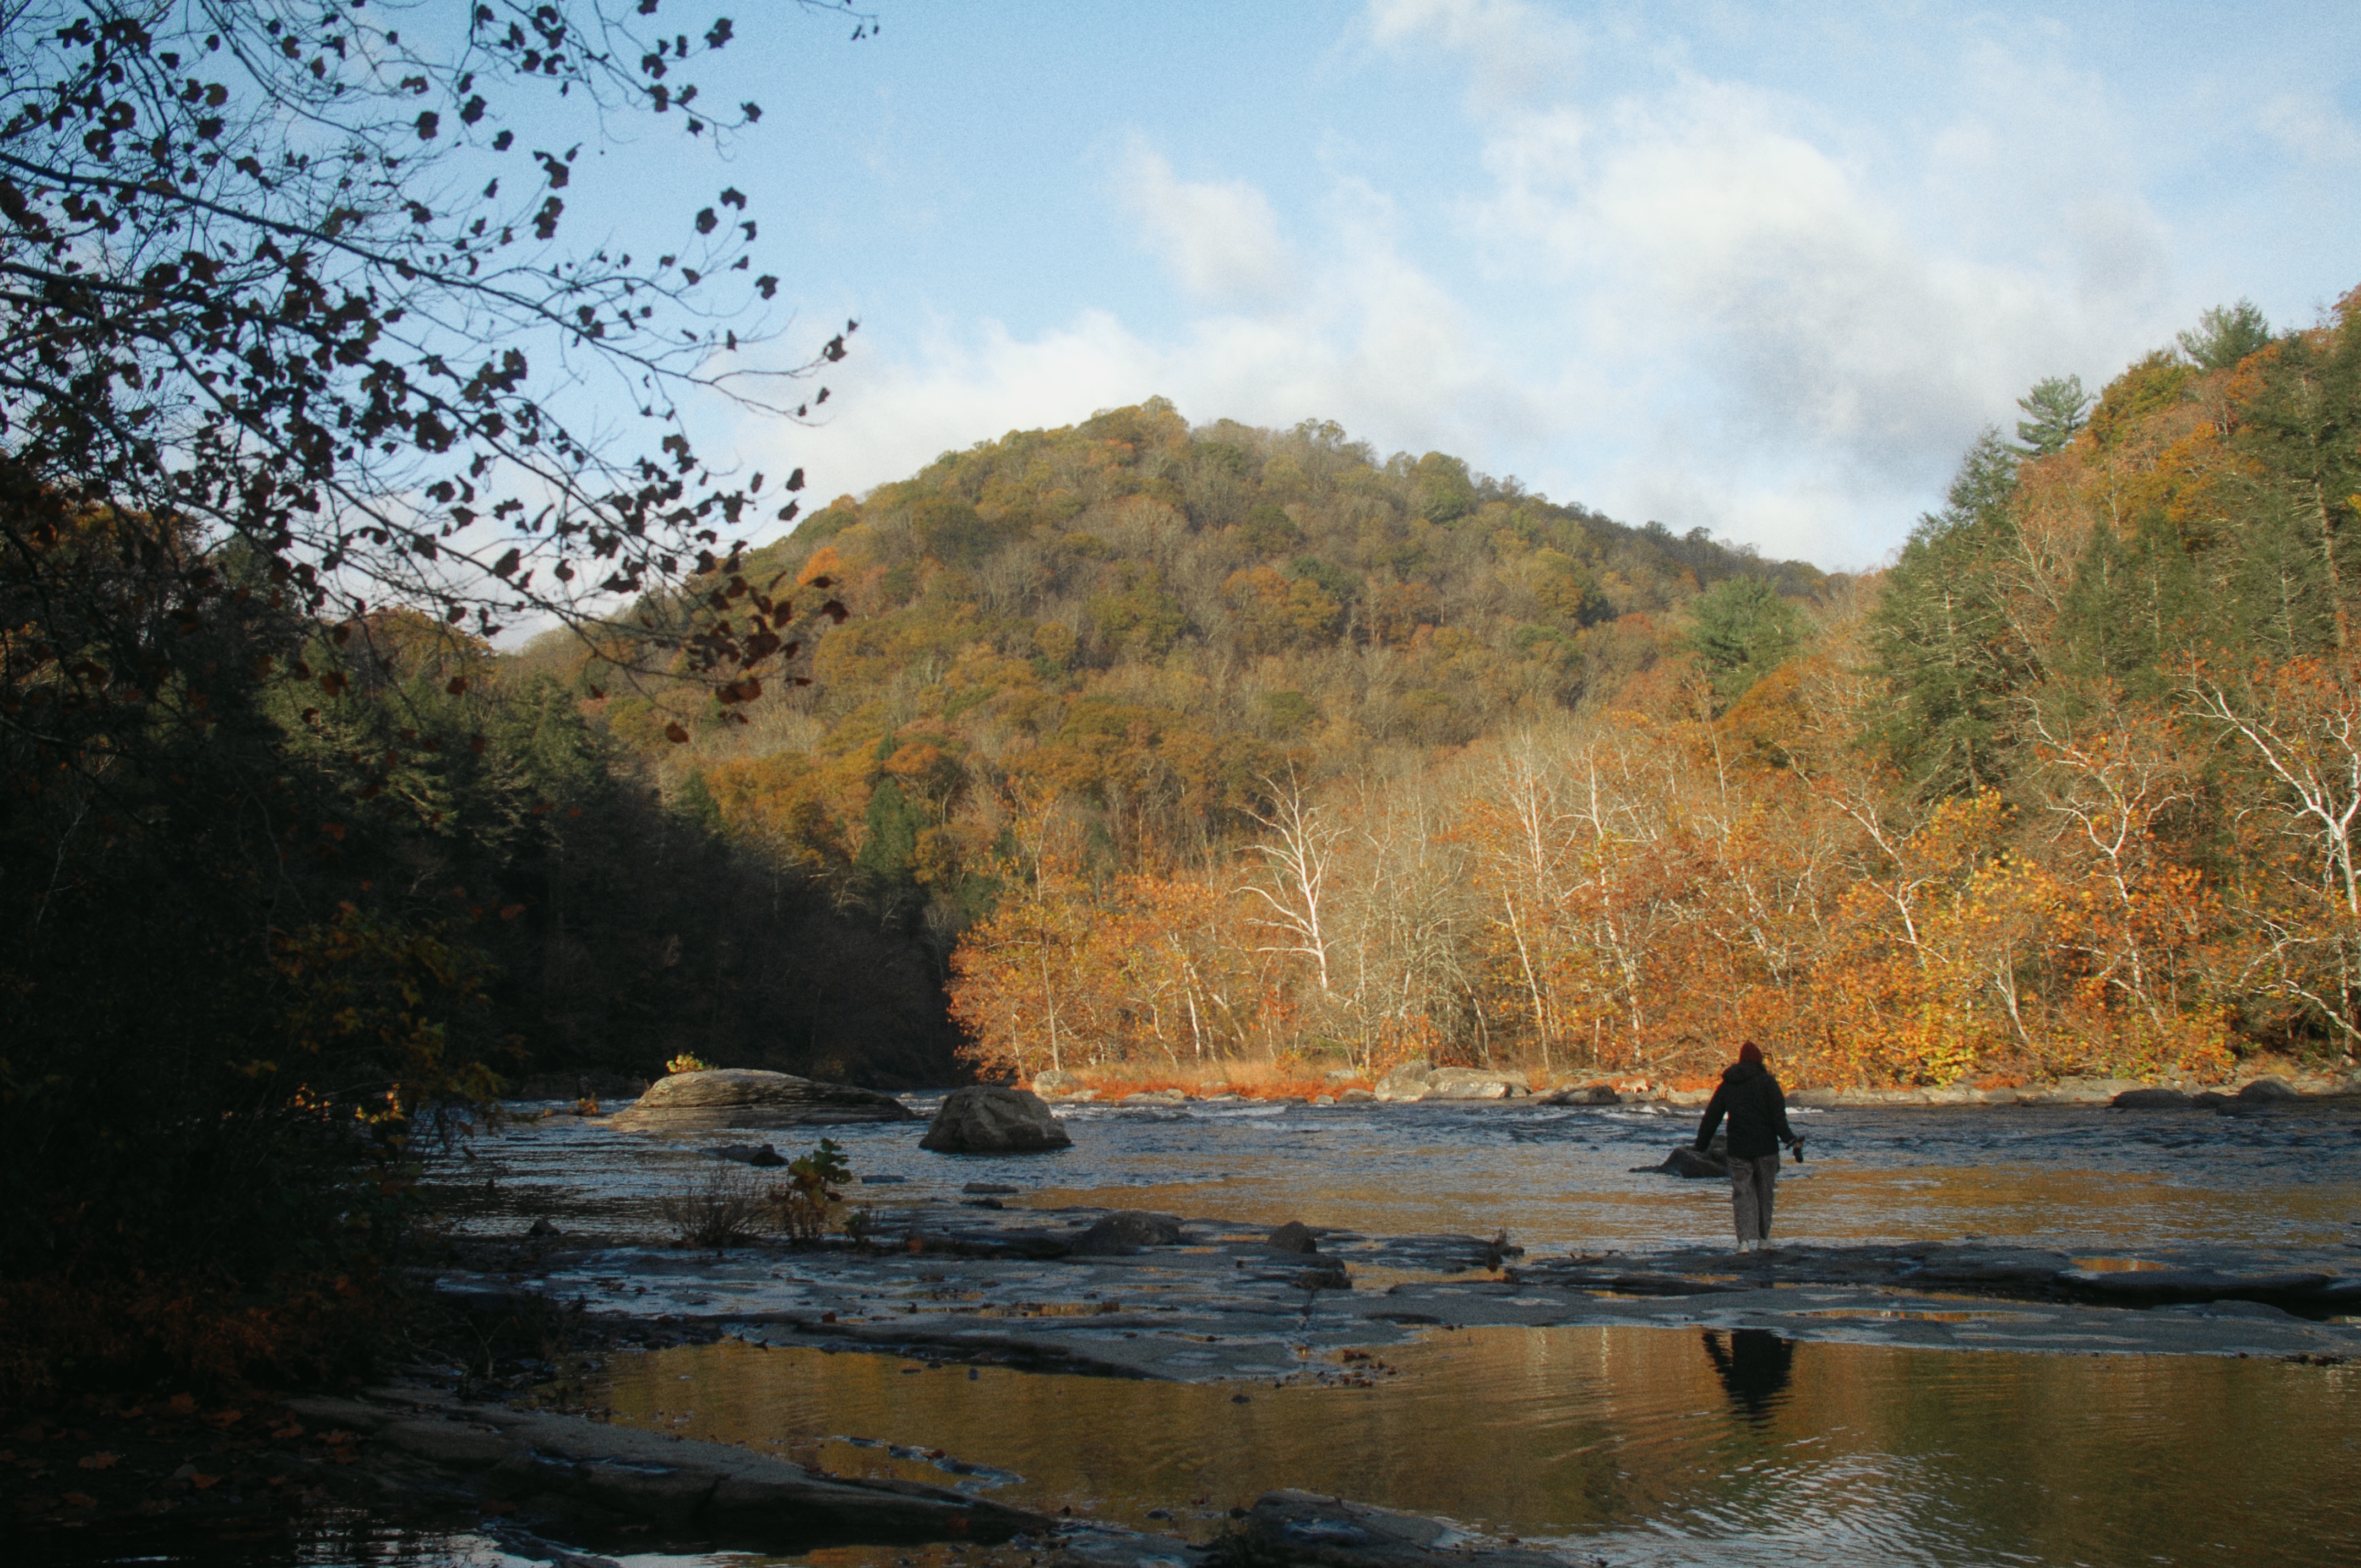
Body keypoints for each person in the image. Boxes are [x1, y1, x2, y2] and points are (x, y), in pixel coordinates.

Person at [1693, 1041, 1800, 1252]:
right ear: (1760, 1060)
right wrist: (1791, 1140)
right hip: (1766, 1148)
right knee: (1765, 1193)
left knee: (1742, 1193)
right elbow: (1779, 1120)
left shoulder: (1728, 1084)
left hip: (1738, 1148)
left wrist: (1701, 1145)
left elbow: (1712, 1117)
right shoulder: (1768, 1083)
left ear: (1741, 1061)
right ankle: (1764, 1239)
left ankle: (1743, 1242)